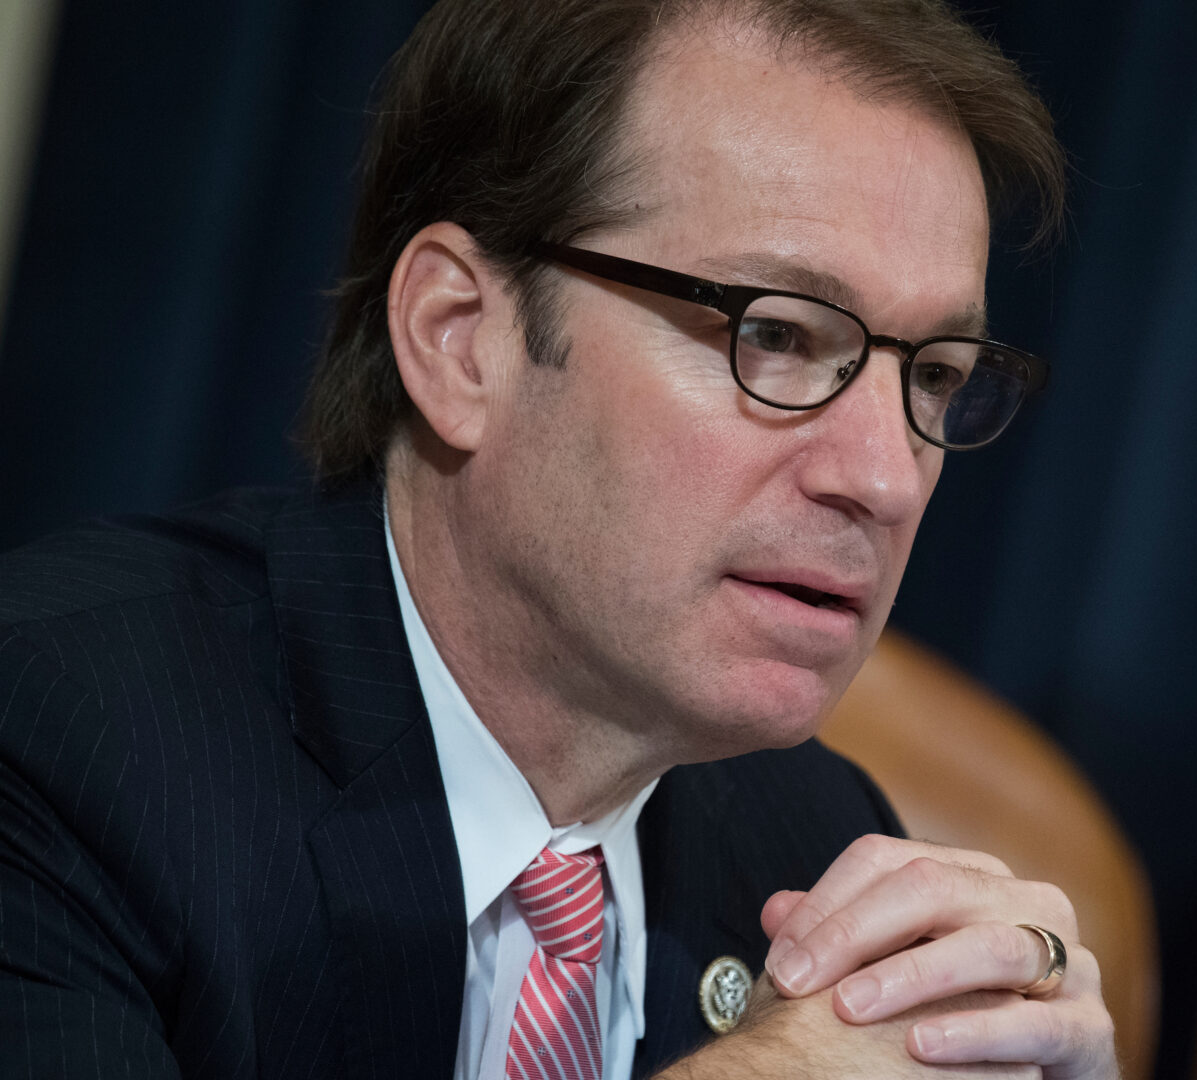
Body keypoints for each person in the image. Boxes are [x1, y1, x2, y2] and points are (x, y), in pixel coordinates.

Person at [0, 1, 1117, 1077]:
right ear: (461, 341)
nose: (881, 476)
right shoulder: (57, 740)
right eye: (775, 335)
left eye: (934, 375)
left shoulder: (817, 841)